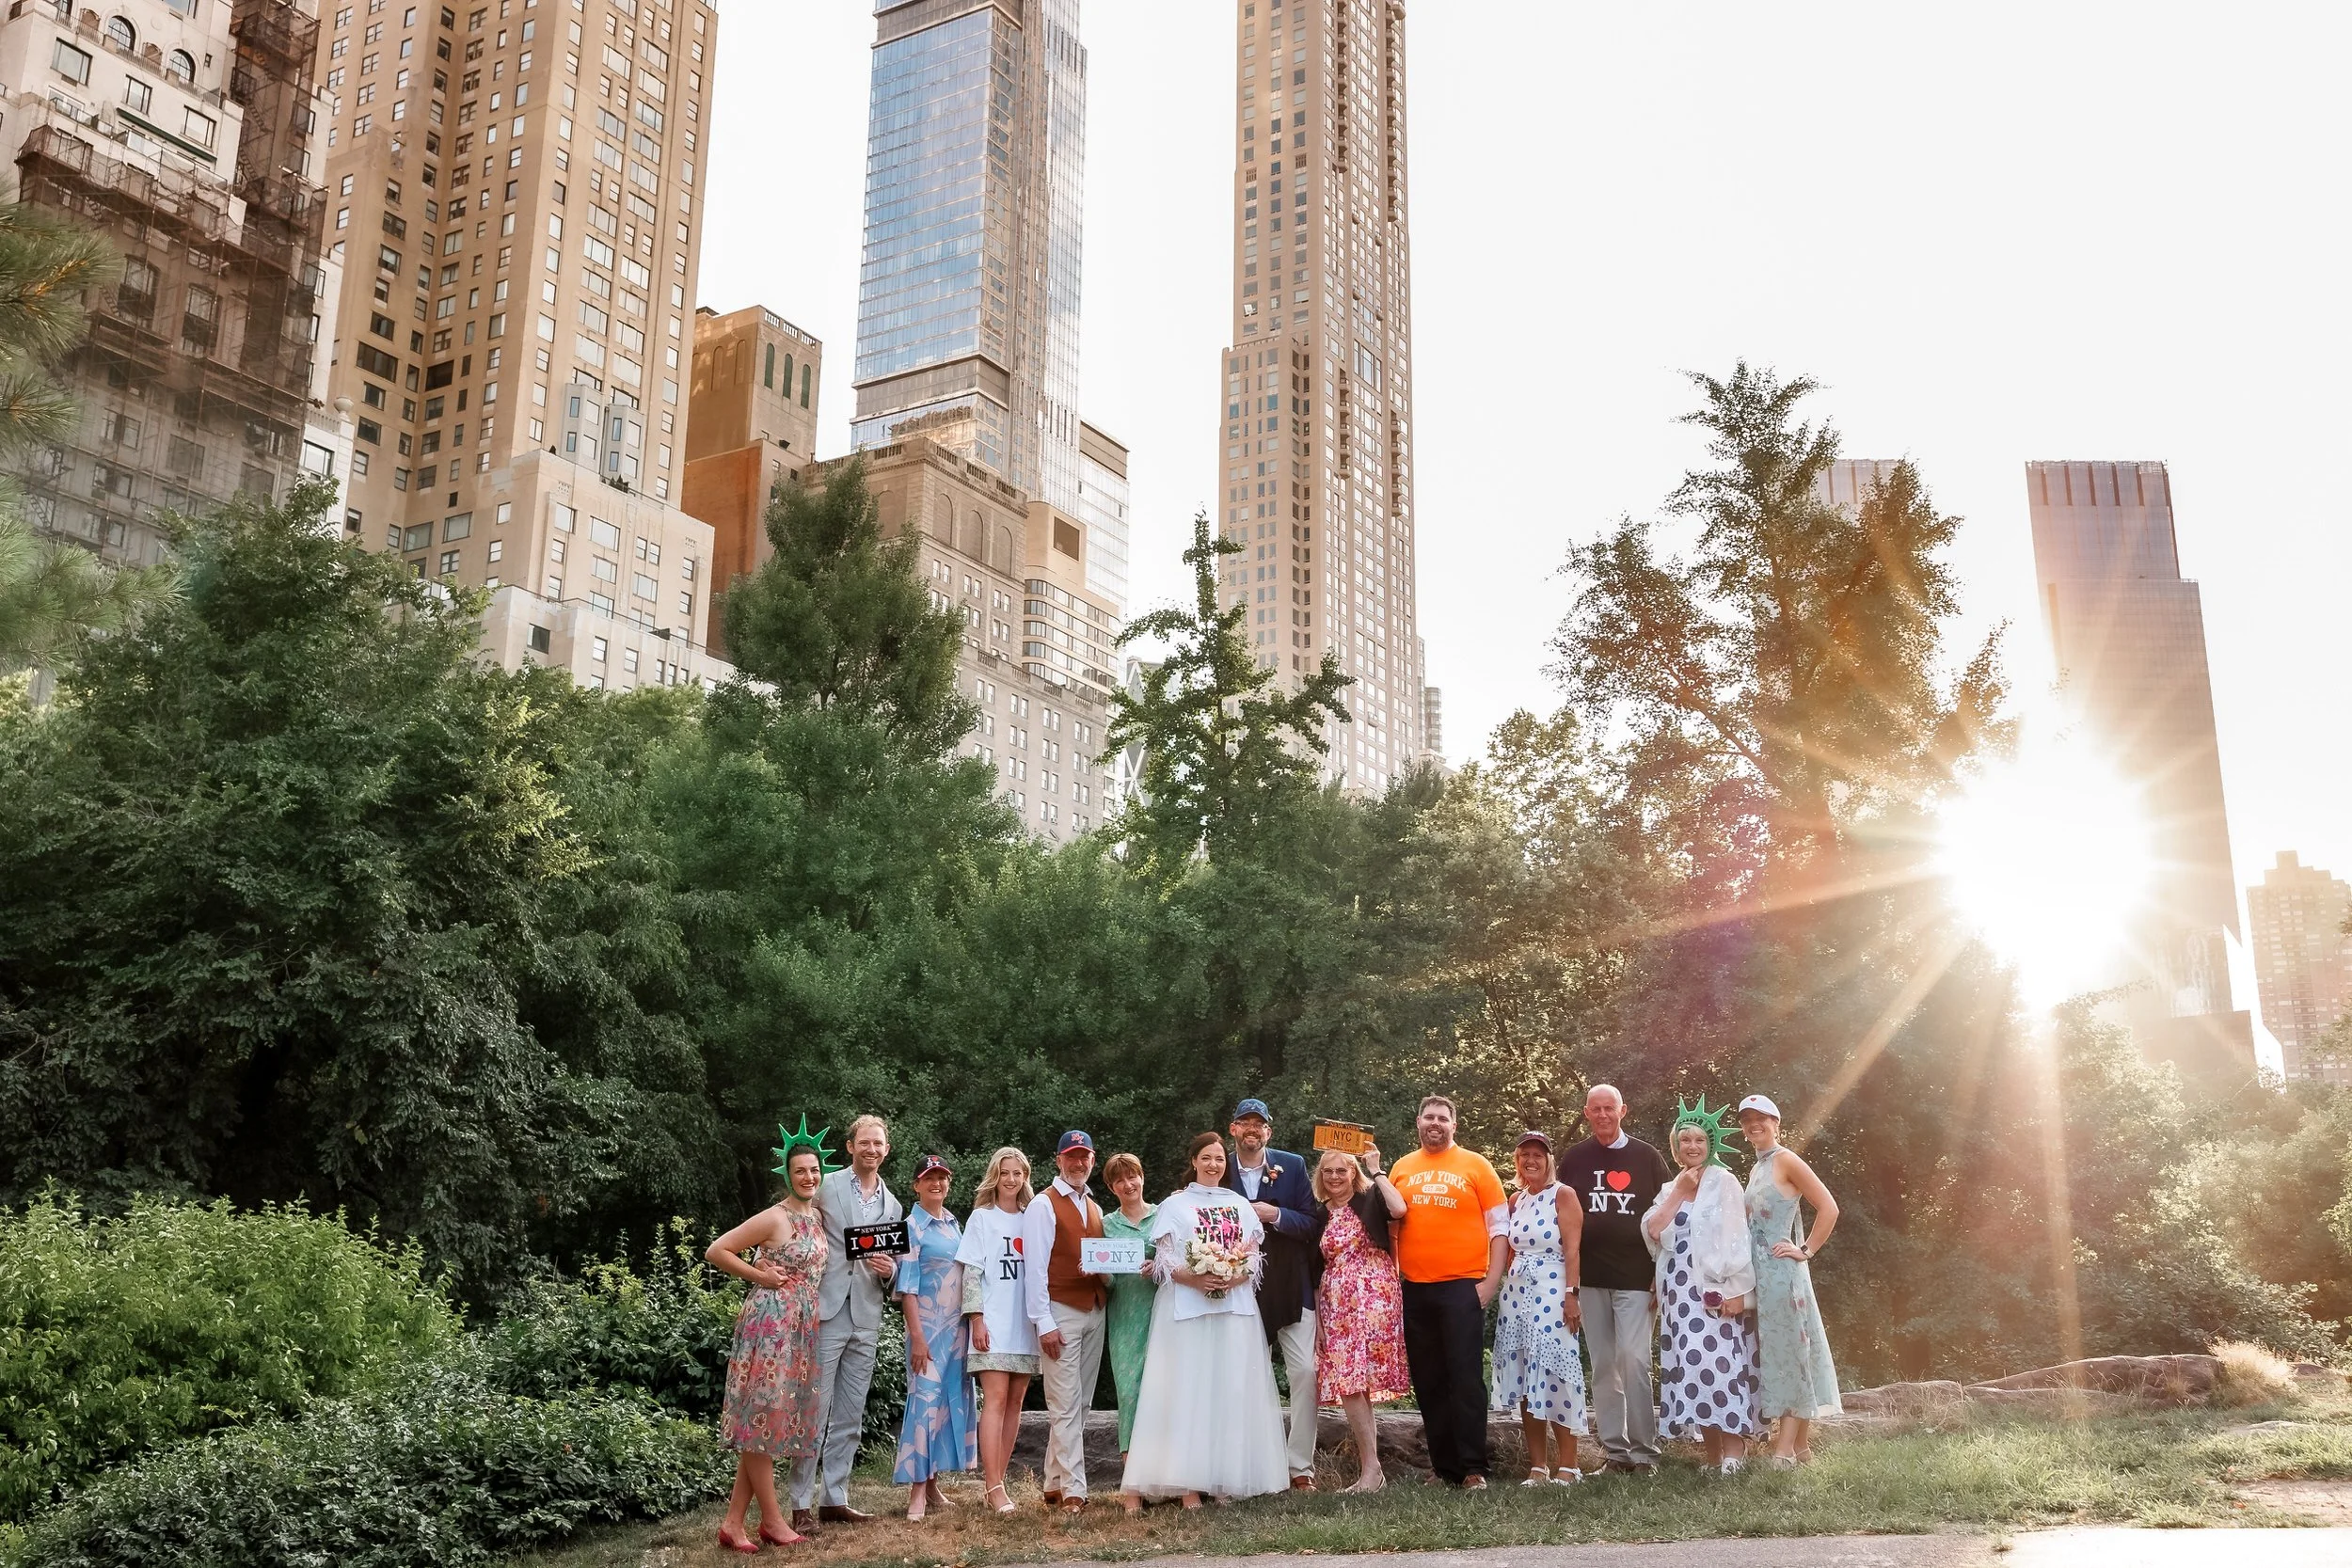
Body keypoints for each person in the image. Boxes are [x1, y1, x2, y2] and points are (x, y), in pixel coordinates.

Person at [1120, 1132, 1291, 1508]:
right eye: (1206, 1158)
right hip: (1187, 1311)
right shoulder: (1175, 1205)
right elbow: (1164, 1259)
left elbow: (1253, 1257)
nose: (1214, 1164)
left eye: (1219, 1158)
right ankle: (1187, 1485)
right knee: (1187, 1392)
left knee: (1227, 1392)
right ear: (1194, 1161)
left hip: (1233, 1310)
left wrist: (1234, 1276)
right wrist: (1195, 1278)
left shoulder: (1240, 1204)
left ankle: (1224, 1478)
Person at [705, 1132, 831, 1553]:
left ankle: (732, 1523)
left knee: (769, 1421)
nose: (809, 1176)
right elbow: (717, 1250)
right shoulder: (774, 1216)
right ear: (788, 1175)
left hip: (800, 1326)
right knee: (761, 1418)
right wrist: (760, 1275)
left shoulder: (816, 1218)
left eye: (814, 1170)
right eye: (801, 1171)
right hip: (771, 1324)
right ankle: (773, 1521)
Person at [1388, 1094, 1509, 1489]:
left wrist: (1490, 1282)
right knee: (1429, 1379)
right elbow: (1390, 1227)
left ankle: (1474, 1467)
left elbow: (1500, 1228)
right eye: (1429, 1117)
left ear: (1454, 1125)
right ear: (1418, 1122)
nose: (1435, 1123)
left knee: (1465, 1377)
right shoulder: (1402, 1168)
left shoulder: (1476, 1165)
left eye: (1443, 1117)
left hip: (1463, 1287)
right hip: (1416, 1289)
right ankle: (1444, 1468)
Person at [789, 1115, 902, 1533]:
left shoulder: (894, 1205)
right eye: (865, 1143)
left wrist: (889, 1270)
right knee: (813, 1411)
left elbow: (896, 1267)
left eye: (879, 1144)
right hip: (826, 1309)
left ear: (886, 1151)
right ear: (851, 1146)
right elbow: (794, 1220)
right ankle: (800, 1504)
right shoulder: (827, 1185)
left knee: (850, 1414)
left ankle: (834, 1498)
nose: (872, 1150)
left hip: (867, 1314)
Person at [1556, 1084, 1673, 1475]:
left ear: (1623, 1110)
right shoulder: (1574, 1159)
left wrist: (1663, 1270)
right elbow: (1558, 1216)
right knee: (1604, 1364)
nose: (1603, 1115)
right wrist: (1567, 1285)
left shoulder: (1647, 1157)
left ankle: (1645, 1453)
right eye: (1596, 1109)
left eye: (1610, 1108)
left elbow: (1672, 1216)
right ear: (1586, 1113)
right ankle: (1616, 1453)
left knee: (1634, 1360)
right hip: (1589, 1279)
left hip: (1638, 1278)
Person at [1643, 1099, 1759, 1475]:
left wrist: (1737, 1290)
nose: (1692, 1146)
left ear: (1711, 1145)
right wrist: (1679, 1191)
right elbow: (1653, 1232)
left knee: (1721, 1364)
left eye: (1699, 1140)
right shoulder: (1668, 1188)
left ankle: (1734, 1451)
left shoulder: (1724, 1183)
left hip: (1713, 1290)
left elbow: (1738, 1238)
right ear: (1676, 1148)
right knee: (1693, 1369)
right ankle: (1711, 1455)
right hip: (1677, 1294)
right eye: (1685, 1140)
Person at [1219, 1098, 1323, 1489]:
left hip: (1291, 1285)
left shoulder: (1292, 1166)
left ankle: (1300, 1468)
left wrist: (1273, 1214)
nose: (1251, 1128)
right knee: (1245, 1378)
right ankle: (1252, 1464)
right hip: (1239, 1290)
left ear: (1268, 1131)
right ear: (1233, 1129)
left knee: (1305, 1374)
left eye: (1258, 1123)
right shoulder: (1217, 1165)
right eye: (1244, 1121)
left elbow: (1312, 1223)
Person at [1738, 1094, 1842, 1467]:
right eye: (1747, 1119)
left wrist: (1806, 1249)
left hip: (1783, 1274)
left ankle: (1782, 1453)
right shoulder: (1757, 1168)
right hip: (1762, 1276)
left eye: (1762, 1118)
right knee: (1779, 1354)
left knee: (1792, 1355)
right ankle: (1801, 1449)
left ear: (1776, 1123)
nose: (1754, 1124)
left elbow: (1828, 1206)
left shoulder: (1786, 1160)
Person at [1310, 1143, 1408, 1494]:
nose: (1335, 1177)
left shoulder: (1369, 1199)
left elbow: (1399, 1209)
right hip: (1337, 1302)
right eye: (1328, 1171)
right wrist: (1320, 1317)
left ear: (1354, 1172)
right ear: (1321, 1176)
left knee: (1358, 1380)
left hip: (1374, 1296)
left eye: (1342, 1170)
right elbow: (1316, 1268)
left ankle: (1372, 1470)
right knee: (1348, 1382)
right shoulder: (1319, 1213)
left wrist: (1377, 1168)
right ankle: (1372, 1469)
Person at [1490, 1132, 1585, 1486]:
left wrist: (1571, 1294)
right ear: (1517, 1160)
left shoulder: (1563, 1195)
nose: (1531, 1160)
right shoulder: (1515, 1199)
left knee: (1557, 1371)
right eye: (1524, 1154)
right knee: (1526, 1375)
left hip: (1553, 1290)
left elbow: (1573, 1251)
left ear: (1548, 1159)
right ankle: (1537, 1466)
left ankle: (1569, 1465)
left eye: (1538, 1155)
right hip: (1517, 1293)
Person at [1023, 1130, 1108, 1513]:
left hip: (1094, 1309)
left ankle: (1054, 1482)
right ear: (1058, 1160)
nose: (1078, 1163)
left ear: (1092, 1160)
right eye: (1071, 1156)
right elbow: (1035, 1268)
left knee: (1082, 1402)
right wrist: (1043, 1321)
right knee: (1063, 1402)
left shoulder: (1094, 1205)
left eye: (1084, 1156)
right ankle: (1076, 1489)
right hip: (1060, 1311)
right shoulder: (1043, 1204)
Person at [957, 1147, 1039, 1513]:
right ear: (996, 1175)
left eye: (1017, 1173)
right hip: (993, 1322)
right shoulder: (982, 1218)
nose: (1011, 1179)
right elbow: (971, 1272)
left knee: (1017, 1402)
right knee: (997, 1399)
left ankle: (998, 1482)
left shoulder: (1032, 1218)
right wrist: (976, 1318)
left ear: (1025, 1178)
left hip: (1025, 1323)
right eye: (1004, 1173)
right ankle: (993, 1486)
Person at [894, 1154, 976, 1520]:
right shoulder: (911, 1226)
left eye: (942, 1178)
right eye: (929, 1178)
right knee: (924, 1406)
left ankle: (933, 1485)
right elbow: (906, 1287)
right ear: (917, 1185)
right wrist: (917, 1336)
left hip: (956, 1332)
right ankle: (916, 1494)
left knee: (945, 1403)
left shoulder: (954, 1224)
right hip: (927, 1331)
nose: (937, 1184)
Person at [1101, 1152, 1159, 1462]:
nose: (1128, 1184)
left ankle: (1166, 1471)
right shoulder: (1106, 1224)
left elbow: (1179, 1262)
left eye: (1132, 1176)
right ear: (1112, 1188)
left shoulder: (1163, 1215)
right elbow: (1110, 1282)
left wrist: (1159, 1266)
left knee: (1162, 1390)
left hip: (1162, 1313)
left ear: (1142, 1177)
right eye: (1119, 1180)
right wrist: (1098, 1271)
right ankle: (1132, 1476)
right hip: (1124, 1315)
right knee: (1129, 1391)